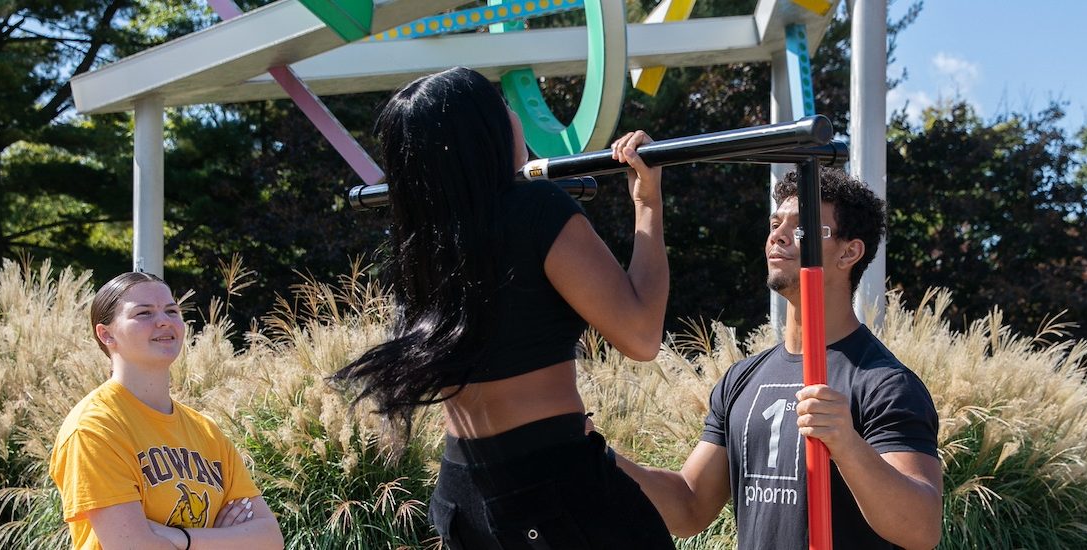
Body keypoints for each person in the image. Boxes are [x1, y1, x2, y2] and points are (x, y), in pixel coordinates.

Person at [331, 67, 674, 549]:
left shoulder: (421, 237)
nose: (516, 117)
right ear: (482, 134)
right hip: (552, 487)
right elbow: (641, 335)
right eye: (505, 108)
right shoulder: (537, 210)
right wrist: (648, 205)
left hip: (463, 493)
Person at [615, 168, 942, 549]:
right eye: (776, 223)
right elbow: (689, 506)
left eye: (801, 228)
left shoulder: (884, 384)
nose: (778, 236)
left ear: (849, 252)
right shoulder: (742, 379)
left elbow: (921, 529)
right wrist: (597, 455)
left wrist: (847, 444)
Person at [50, 271, 284, 550]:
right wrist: (223, 541)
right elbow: (135, 547)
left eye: (172, 311)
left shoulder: (207, 431)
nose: (164, 321)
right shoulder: (94, 428)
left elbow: (270, 539)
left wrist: (179, 538)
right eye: (144, 313)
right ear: (106, 334)